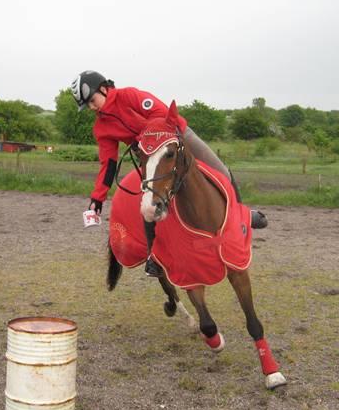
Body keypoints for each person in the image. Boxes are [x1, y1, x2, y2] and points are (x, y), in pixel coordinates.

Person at [71, 70, 267, 277]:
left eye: (92, 100)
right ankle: (154, 256)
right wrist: (97, 199)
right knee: (149, 202)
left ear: (104, 88)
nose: (92, 108)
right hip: (151, 156)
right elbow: (108, 164)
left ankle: (242, 218)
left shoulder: (129, 96)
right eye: (88, 105)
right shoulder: (102, 127)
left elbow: (161, 113)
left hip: (179, 136)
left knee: (222, 172)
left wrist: (144, 137)